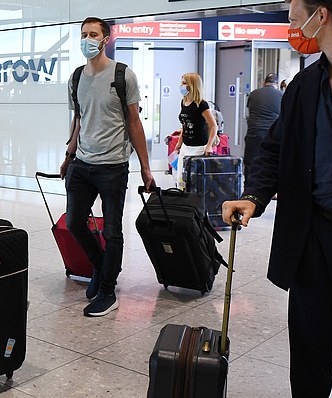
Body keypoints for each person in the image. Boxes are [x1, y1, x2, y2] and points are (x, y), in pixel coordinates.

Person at [222, 0, 332, 396]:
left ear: (324, 14)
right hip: (315, 241)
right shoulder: (303, 86)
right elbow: (276, 149)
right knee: (309, 358)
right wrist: (253, 196)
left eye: (294, 14)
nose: (290, 22)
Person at [60, 17, 155, 317]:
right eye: (83, 34)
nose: (87, 39)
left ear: (105, 39)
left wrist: (145, 167)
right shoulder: (76, 78)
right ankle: (101, 266)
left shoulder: (123, 75)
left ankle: (107, 290)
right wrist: (69, 153)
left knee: (113, 230)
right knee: (75, 222)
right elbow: (79, 119)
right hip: (82, 164)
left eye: (93, 34)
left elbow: (134, 122)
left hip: (113, 166)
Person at [173, 72, 218, 189]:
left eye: (184, 83)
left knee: (194, 182)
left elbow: (213, 126)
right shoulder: (183, 102)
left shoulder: (201, 105)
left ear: (192, 85)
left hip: (199, 148)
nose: (181, 86)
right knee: (181, 180)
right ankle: (183, 202)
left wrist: (209, 146)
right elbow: (185, 125)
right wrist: (179, 142)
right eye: (181, 83)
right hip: (185, 147)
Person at [244, 72, 283, 184]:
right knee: (272, 161)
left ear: (264, 82)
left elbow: (250, 110)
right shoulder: (280, 95)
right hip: (271, 134)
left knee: (250, 162)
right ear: (276, 84)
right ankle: (272, 190)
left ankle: (248, 188)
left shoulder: (253, 94)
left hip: (253, 133)